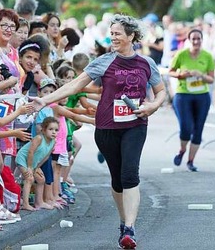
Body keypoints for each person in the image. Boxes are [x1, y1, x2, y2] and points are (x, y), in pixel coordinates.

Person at [28, 14, 166, 249]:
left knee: (130, 174)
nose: (113, 37)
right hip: (107, 127)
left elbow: (161, 91)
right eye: (111, 33)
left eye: (117, 33)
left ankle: (130, 229)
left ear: (131, 36)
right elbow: (75, 85)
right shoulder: (103, 62)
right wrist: (45, 100)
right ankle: (124, 222)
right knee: (117, 178)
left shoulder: (146, 63)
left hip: (135, 125)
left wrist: (152, 105)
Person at [169, 29, 215, 172]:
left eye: (198, 39)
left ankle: (190, 161)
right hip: (183, 95)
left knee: (198, 130)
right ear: (189, 40)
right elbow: (170, 71)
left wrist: (200, 75)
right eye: (193, 39)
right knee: (186, 127)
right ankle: (182, 150)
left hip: (202, 95)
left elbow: (211, 79)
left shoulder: (208, 56)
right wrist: (181, 74)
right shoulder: (181, 54)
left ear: (202, 40)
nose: (196, 41)